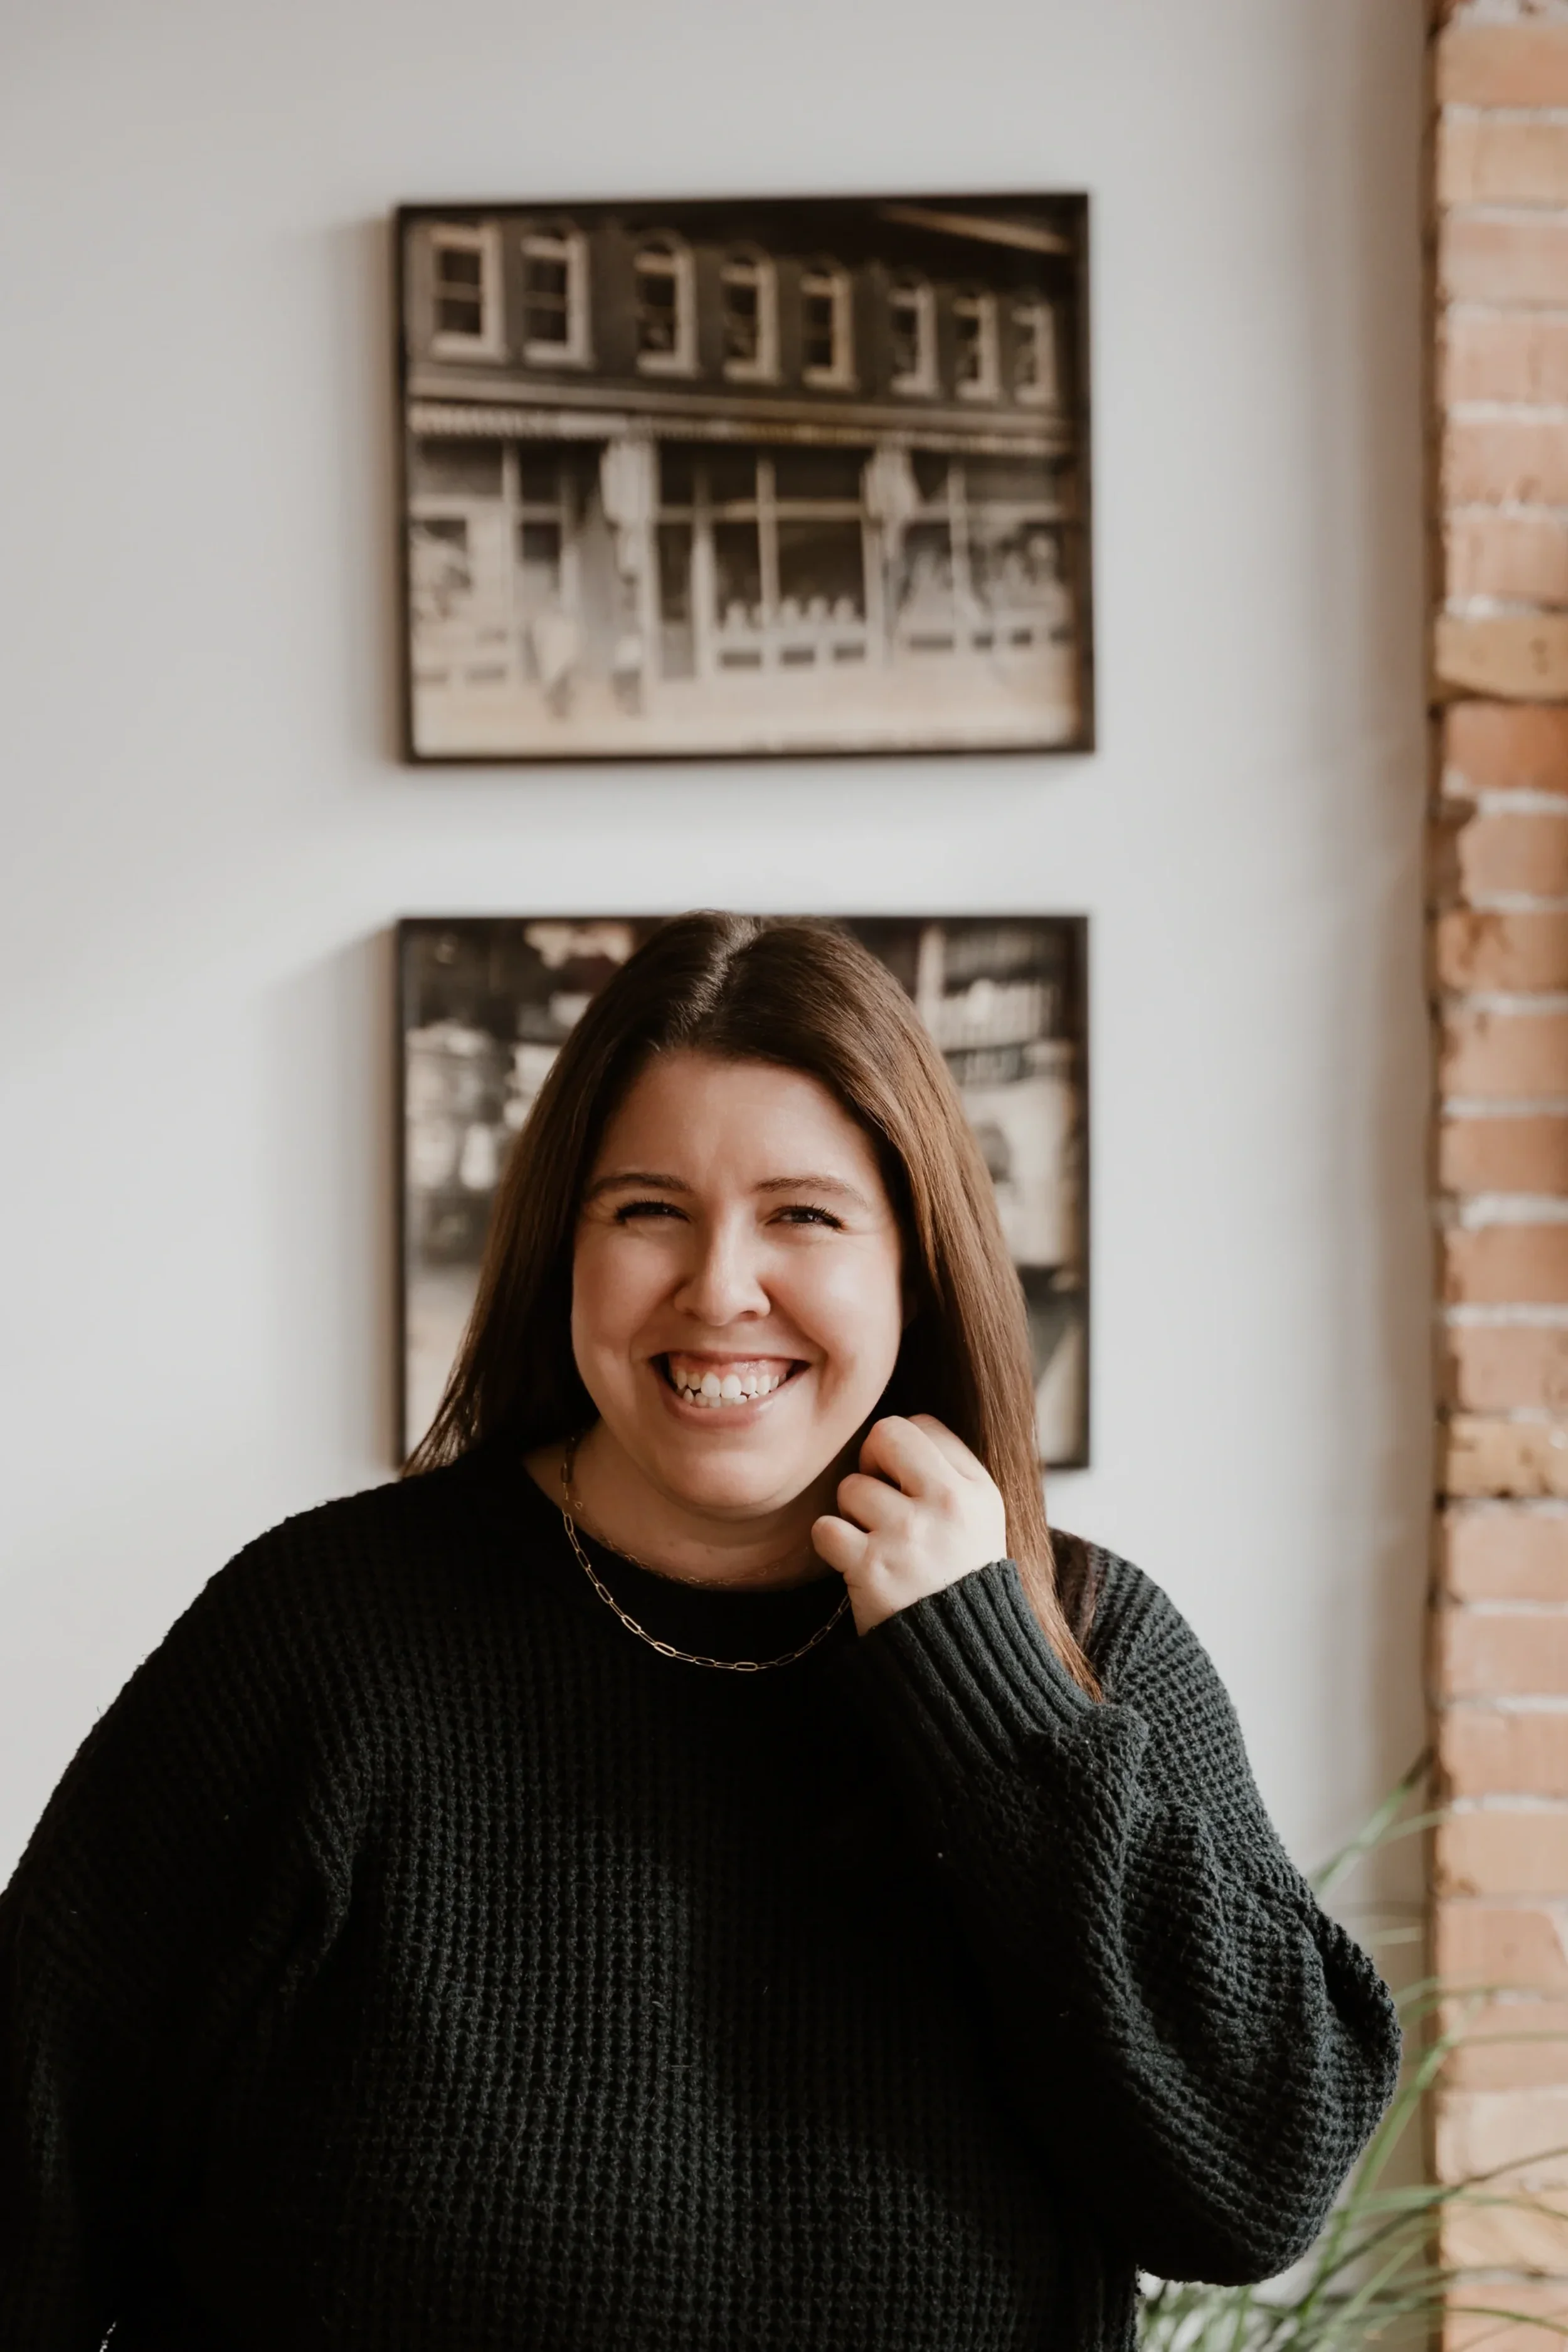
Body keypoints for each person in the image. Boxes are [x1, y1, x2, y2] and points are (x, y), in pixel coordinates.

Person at [0, 913, 1399, 2351]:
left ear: (914, 1263)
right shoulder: (322, 1640)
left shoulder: (1080, 1640)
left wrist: (983, 1689)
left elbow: (1253, 2187)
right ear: (566, 1248)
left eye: (802, 1214)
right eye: (648, 1210)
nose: (719, 1286)